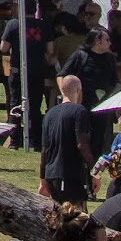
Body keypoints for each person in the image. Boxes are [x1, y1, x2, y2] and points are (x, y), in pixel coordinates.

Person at [38, 75, 95, 204]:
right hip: (71, 174)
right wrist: (94, 172)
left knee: (57, 215)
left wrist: (42, 178)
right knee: (76, 217)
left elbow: (44, 150)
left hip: (51, 174)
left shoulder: (49, 114)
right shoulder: (79, 111)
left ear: (62, 90)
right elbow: (82, 145)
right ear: (78, 90)